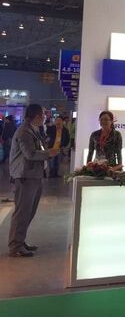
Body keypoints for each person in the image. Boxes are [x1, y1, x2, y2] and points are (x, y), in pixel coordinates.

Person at [7, 104, 59, 257]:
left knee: (28, 212)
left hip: (33, 176)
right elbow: (30, 154)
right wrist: (49, 153)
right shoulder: (24, 132)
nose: (45, 117)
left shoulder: (33, 130)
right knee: (22, 212)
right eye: (44, 114)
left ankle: (20, 241)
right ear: (37, 116)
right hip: (25, 177)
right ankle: (15, 245)